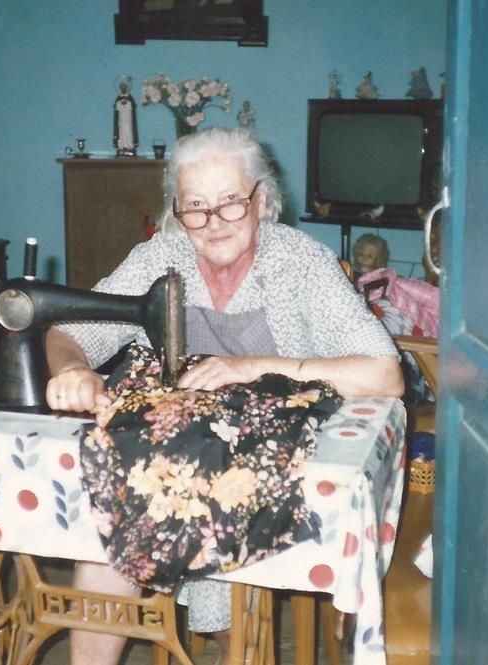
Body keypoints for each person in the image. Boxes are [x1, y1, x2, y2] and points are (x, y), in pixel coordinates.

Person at [46, 127, 405, 665]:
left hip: (261, 449)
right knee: (111, 499)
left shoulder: (301, 263)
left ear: (261, 200)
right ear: (176, 209)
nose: (213, 223)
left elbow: (385, 374)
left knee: (169, 492)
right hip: (171, 453)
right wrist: (72, 367)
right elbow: (69, 327)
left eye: (230, 204)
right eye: (195, 207)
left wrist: (250, 367)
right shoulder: (161, 257)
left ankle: (231, 643)